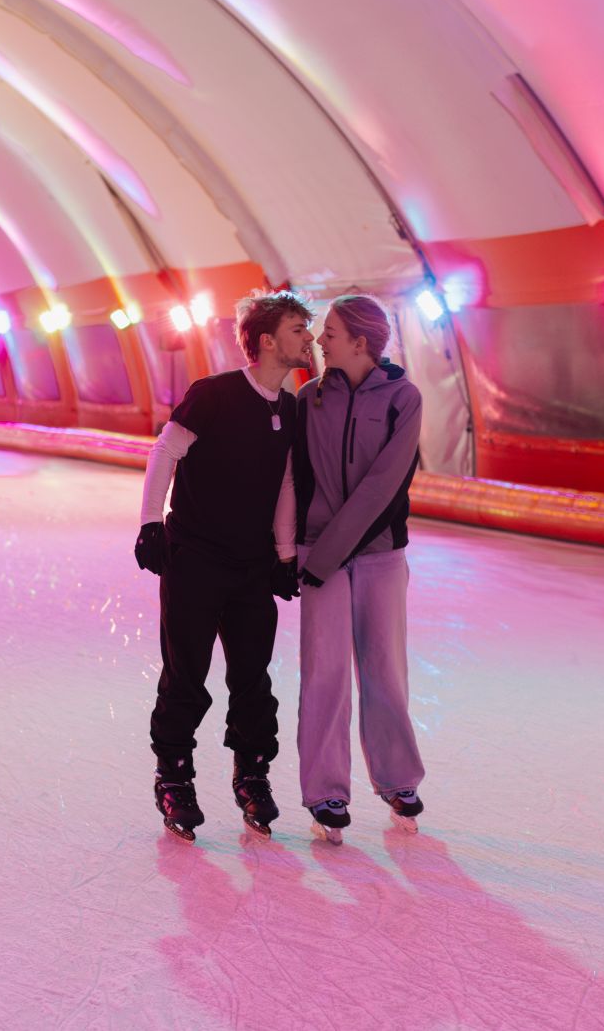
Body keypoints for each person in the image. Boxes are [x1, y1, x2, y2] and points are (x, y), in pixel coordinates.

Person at [134, 289, 312, 842]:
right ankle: (175, 777)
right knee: (186, 675)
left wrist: (284, 556)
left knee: (252, 679)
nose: (308, 338)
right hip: (194, 562)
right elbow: (165, 452)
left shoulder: (289, 407)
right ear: (266, 341)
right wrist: (150, 523)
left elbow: (285, 483)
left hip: (252, 568)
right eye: (298, 329)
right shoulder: (212, 395)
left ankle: (252, 773)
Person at [293, 294, 426, 843]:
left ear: (361, 342)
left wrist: (325, 556)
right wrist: (292, 552)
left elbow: (383, 487)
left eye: (330, 332)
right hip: (316, 553)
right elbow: (295, 479)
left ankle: (398, 780)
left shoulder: (403, 399)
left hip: (377, 554)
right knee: (323, 674)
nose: (320, 341)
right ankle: (325, 790)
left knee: (384, 668)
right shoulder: (308, 398)